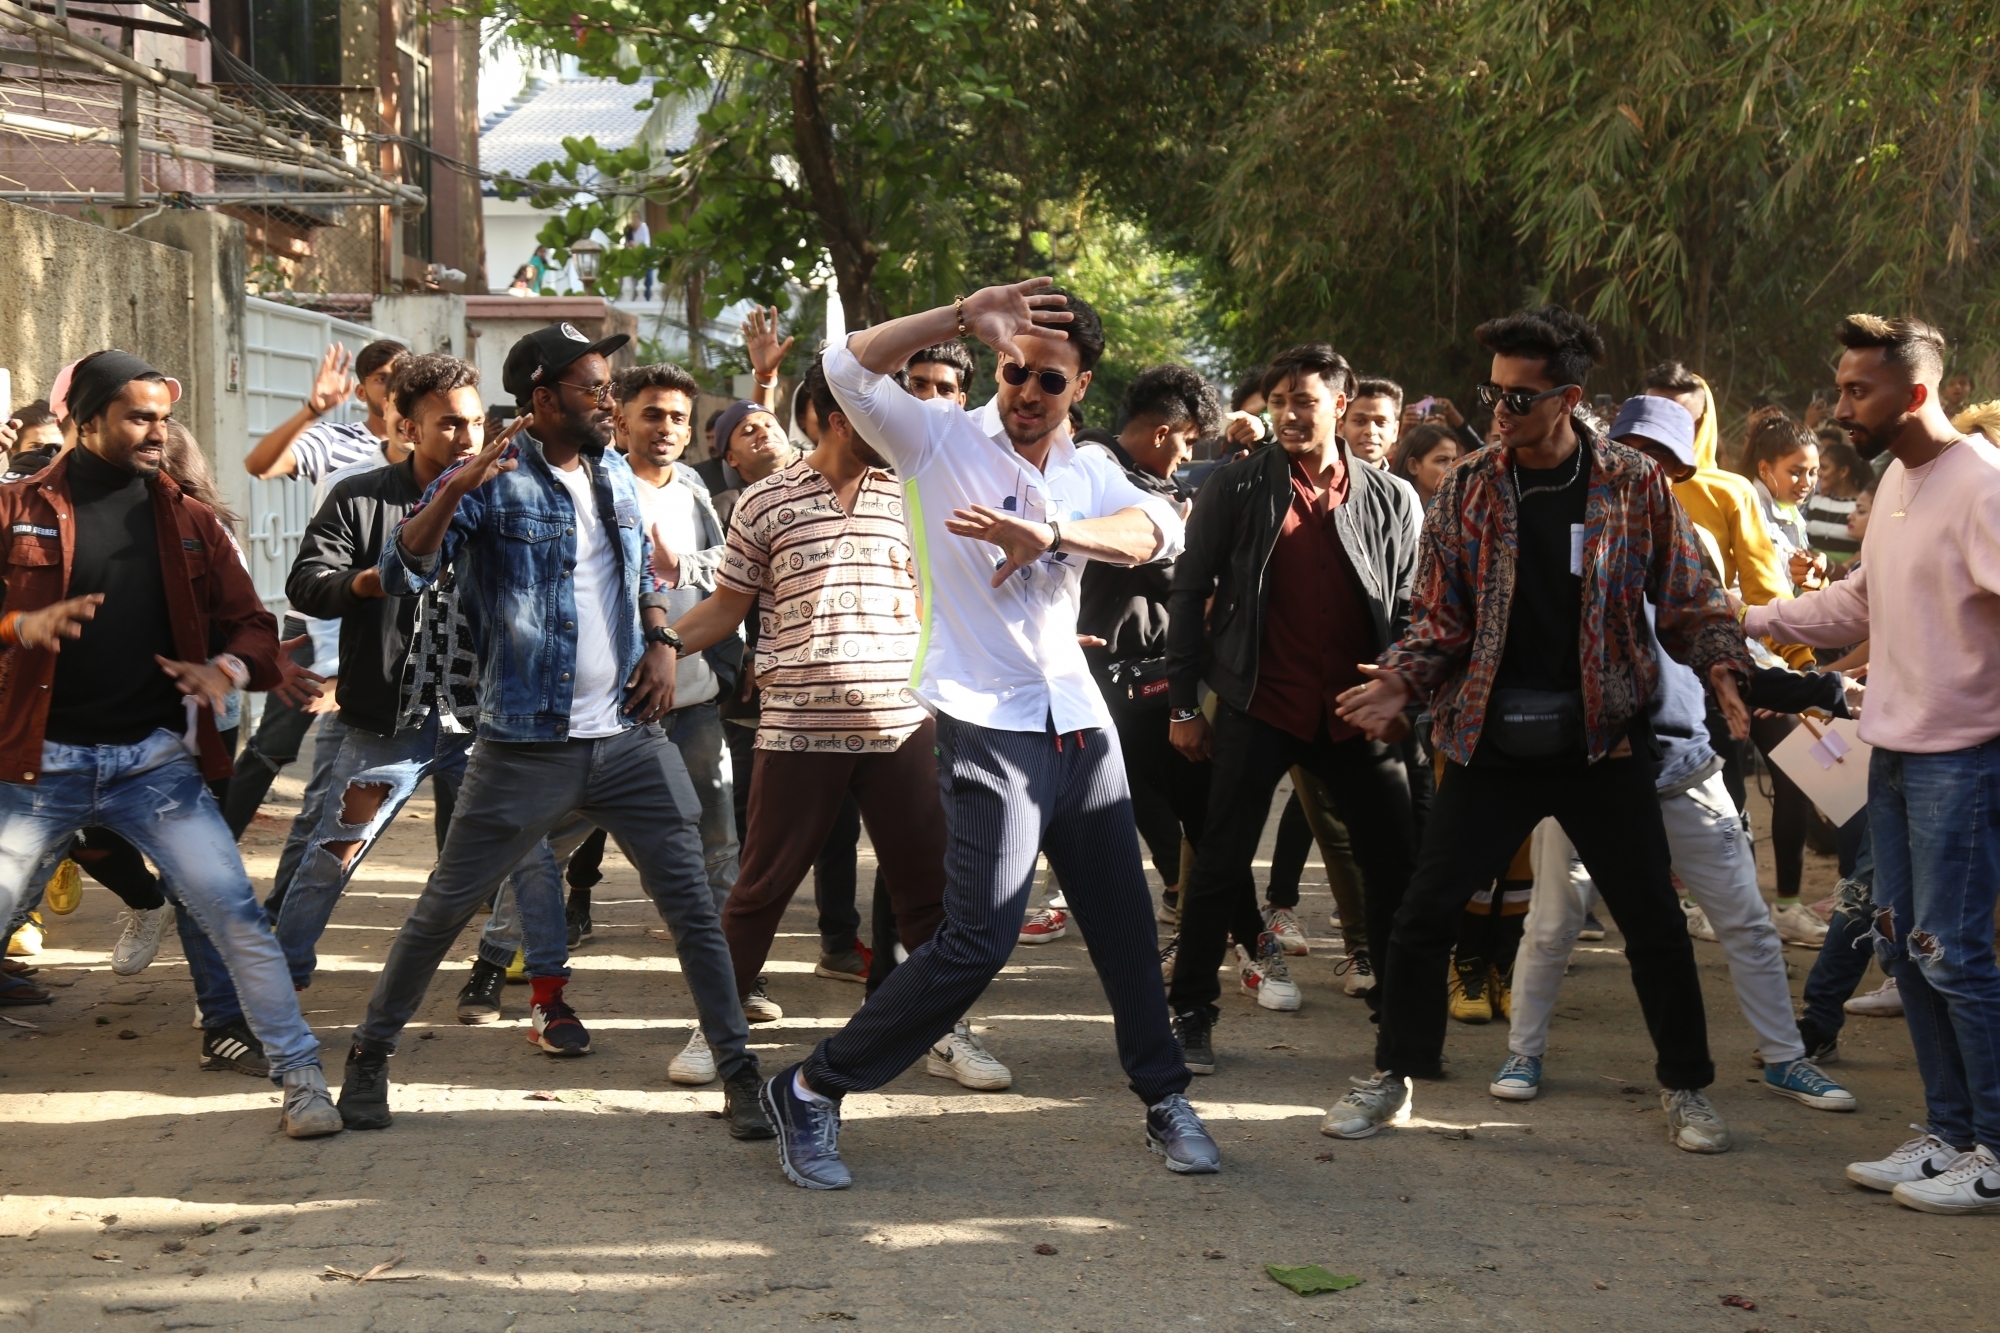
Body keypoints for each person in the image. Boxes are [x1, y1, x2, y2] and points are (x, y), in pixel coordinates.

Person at [752, 278, 1219, 1189]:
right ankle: (811, 1086)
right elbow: (845, 365)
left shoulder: (1087, 468)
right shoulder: (937, 437)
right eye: (1015, 372)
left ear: (1080, 388)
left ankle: (1163, 1098)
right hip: (983, 719)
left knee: (1123, 922)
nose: (1027, 393)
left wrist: (1048, 533)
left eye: (1050, 380)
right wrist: (962, 316)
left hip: (1079, 722)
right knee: (976, 941)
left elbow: (1157, 529)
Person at [1329, 305, 1754, 1152]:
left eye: (1520, 399)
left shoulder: (1634, 484)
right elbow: (1437, 617)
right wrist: (1403, 681)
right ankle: (1396, 1074)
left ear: (1569, 398)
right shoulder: (1471, 486)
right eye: (1494, 395)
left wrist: (1723, 671)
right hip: (1487, 736)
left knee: (1654, 924)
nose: (1500, 413)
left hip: (1603, 740)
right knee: (1424, 914)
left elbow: (1691, 597)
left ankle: (1687, 1088)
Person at [334, 323, 772, 1142]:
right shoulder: (493, 481)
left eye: (609, 386)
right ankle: (369, 1054)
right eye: (592, 388)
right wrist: (458, 488)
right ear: (542, 397)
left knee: (694, 909)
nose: (609, 401)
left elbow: (636, 563)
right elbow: (401, 571)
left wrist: (660, 638)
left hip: (632, 740)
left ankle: (741, 1069)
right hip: (524, 745)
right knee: (442, 908)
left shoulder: (610, 469)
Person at [0, 349, 342, 1137]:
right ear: (85, 421)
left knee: (234, 914)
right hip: (36, 766)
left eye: (163, 417)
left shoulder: (187, 520)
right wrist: (23, 625)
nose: (158, 431)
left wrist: (225, 666)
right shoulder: (18, 506)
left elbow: (253, 626)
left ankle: (301, 1077)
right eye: (138, 416)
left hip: (151, 765)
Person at [1492, 393, 1857, 1113]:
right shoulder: (1557, 537)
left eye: (1666, 463)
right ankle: (1522, 1052)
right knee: (1553, 923)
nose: (1647, 472)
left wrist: (1819, 688)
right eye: (1637, 454)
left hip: (1682, 766)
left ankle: (1785, 1057)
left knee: (1746, 920)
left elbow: (1730, 644)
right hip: (1583, 769)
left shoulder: (1691, 545)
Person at [661, 357, 1010, 1092]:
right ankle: (715, 1027)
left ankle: (944, 1027)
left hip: (901, 727)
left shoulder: (917, 492)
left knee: (926, 892)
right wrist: (662, 645)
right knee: (761, 886)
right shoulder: (762, 503)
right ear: (834, 414)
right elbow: (726, 607)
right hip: (794, 728)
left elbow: (941, 603)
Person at [1745, 314, 2000, 1214]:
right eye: (1843, 387)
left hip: (1962, 761)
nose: (1841, 409)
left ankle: (1995, 1148)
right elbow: (1859, 598)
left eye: (1860, 391)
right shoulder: (1897, 477)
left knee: (1954, 953)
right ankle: (1949, 1134)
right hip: (1889, 751)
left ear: (1917, 393)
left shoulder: (1981, 488)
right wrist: (1751, 617)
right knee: (1902, 943)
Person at [269, 353, 567, 1015]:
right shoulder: (362, 496)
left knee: (530, 856)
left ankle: (547, 996)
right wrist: (370, 581)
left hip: (490, 723)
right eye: (449, 425)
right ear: (406, 427)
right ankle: (278, 987)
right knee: (333, 853)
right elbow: (307, 585)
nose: (468, 438)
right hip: (390, 720)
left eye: (474, 422)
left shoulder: (512, 495)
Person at [1164, 343, 1421, 1073]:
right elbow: (1189, 595)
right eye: (1278, 401)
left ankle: (1401, 1025)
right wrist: (1186, 703)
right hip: (1258, 702)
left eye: (1303, 401)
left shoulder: (1390, 497)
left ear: (1340, 406)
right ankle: (1190, 1015)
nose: (1287, 414)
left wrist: (1402, 692)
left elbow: (1409, 610)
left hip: (1356, 712)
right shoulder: (1235, 487)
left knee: (1394, 866)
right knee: (1218, 865)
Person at [224, 339, 410, 855]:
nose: (394, 387)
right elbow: (260, 464)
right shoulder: (338, 443)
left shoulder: (431, 448)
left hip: (393, 626)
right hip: (318, 619)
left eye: (403, 376)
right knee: (272, 747)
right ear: (363, 387)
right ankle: (210, 855)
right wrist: (311, 410)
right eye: (383, 377)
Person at [1077, 365, 1220, 942]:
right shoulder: (1092, 464)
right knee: (1132, 799)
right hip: (1102, 674)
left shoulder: (1154, 484)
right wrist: (1178, 554)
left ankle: (1207, 917)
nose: (1187, 458)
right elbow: (1139, 555)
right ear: (1164, 431)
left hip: (1161, 672)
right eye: (1187, 442)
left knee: (1190, 802)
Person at [1805, 439, 1867, 572]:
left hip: (1847, 577)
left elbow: (1868, 547)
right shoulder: (1816, 501)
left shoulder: (1862, 506)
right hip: (1812, 573)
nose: (1819, 473)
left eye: (1825, 468)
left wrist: (1841, 569)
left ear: (1843, 471)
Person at [1390, 423, 1462, 508]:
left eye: (1454, 460)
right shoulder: (1391, 510)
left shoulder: (1460, 512)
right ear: (1413, 466)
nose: (1453, 467)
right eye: (1441, 460)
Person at [1341, 376, 1402, 468]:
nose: (1371, 431)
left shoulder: (1400, 482)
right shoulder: (1320, 480)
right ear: (1340, 427)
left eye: (1381, 423)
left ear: (1395, 431)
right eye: (1360, 421)